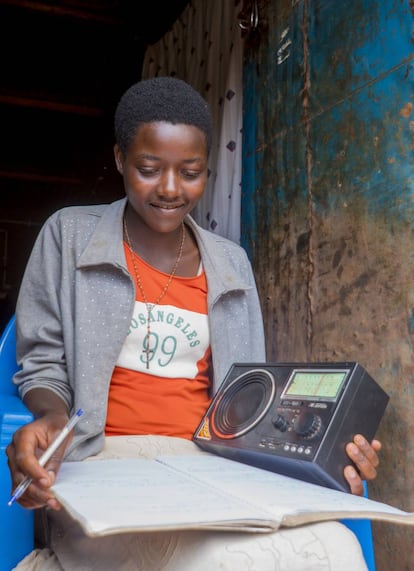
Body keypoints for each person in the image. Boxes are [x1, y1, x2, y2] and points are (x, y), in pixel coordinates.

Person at [7, 76, 381, 570]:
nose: (169, 189)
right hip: (102, 463)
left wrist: (326, 457)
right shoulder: (69, 236)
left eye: (190, 173)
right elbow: (41, 362)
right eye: (148, 169)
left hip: (211, 468)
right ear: (120, 159)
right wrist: (52, 419)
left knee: (338, 549)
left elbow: (250, 395)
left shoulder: (231, 264)